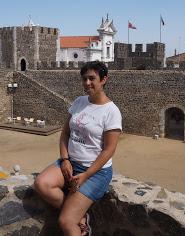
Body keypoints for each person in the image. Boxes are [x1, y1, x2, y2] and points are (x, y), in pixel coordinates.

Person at [34, 61, 122, 236]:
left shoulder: (111, 112)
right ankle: (80, 216)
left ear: (104, 79)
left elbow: (109, 150)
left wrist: (86, 175)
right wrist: (65, 159)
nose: (87, 83)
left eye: (92, 78)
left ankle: (75, 217)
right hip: (71, 163)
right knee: (41, 184)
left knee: (66, 222)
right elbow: (65, 133)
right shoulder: (79, 102)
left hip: (95, 173)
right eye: (84, 79)